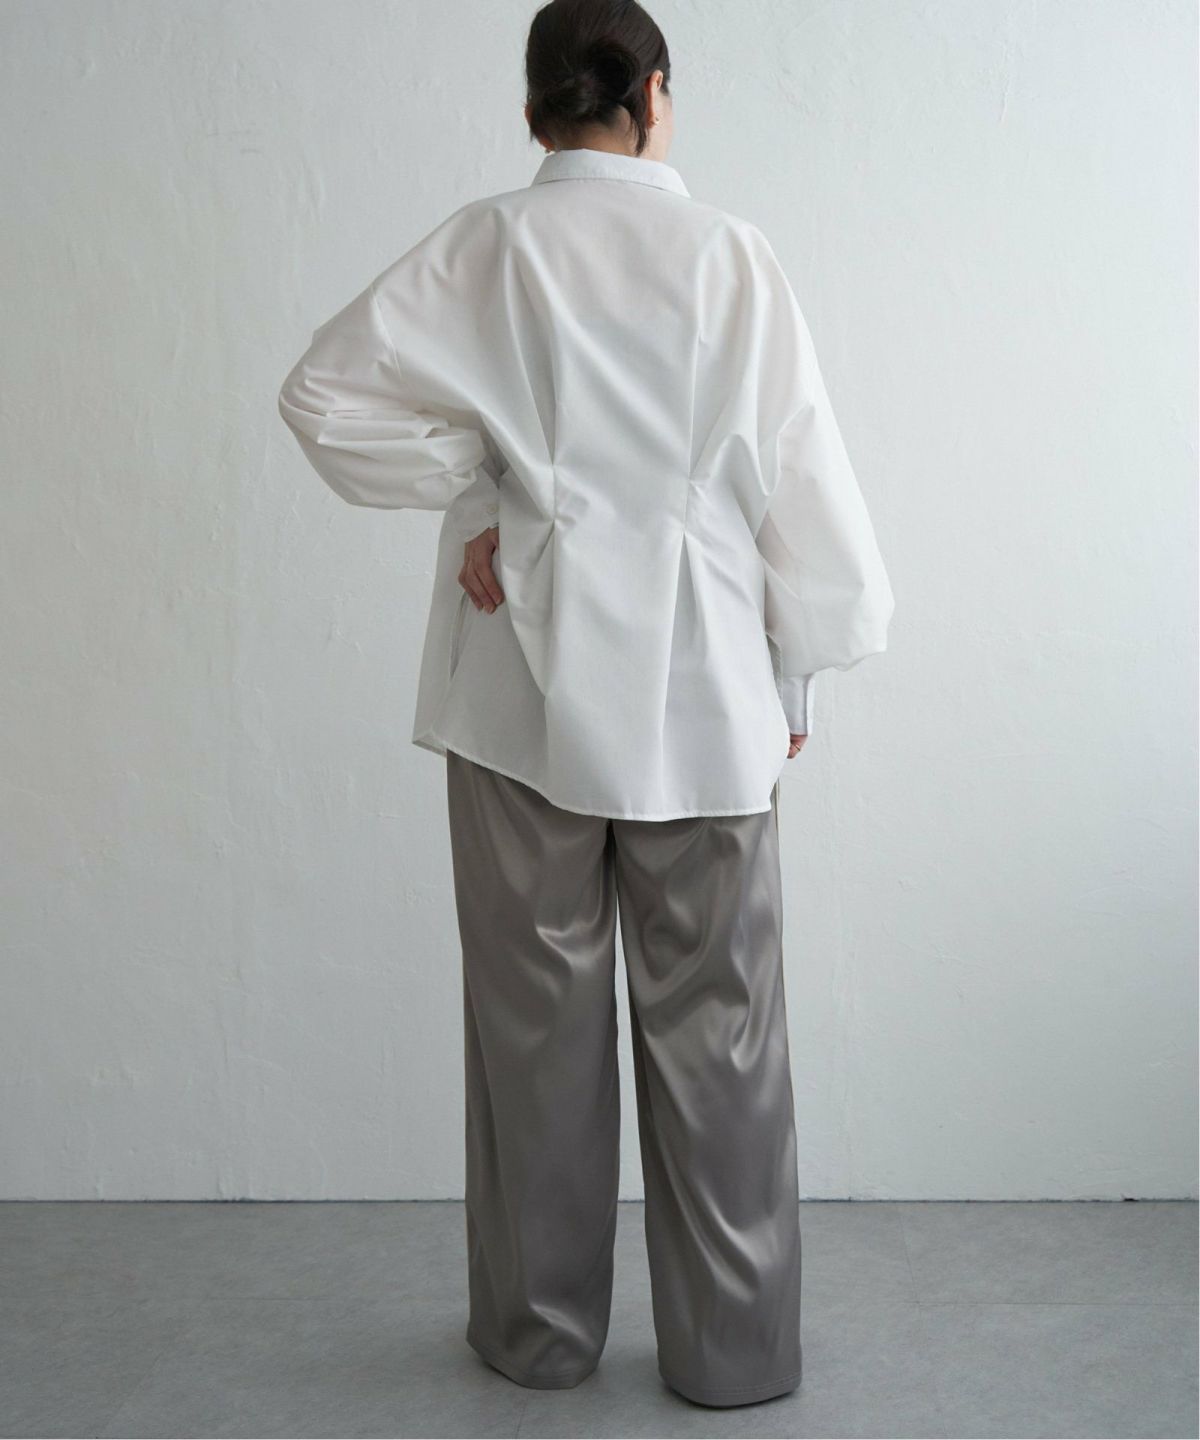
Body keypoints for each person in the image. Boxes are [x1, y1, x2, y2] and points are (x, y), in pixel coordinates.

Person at [277, 0, 894, 1410]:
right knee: (723, 1031)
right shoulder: (729, 255)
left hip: (521, 683)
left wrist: (490, 481)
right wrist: (799, 662)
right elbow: (796, 469)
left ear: (532, 108)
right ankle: (735, 1353)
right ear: (656, 96)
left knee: (531, 1027)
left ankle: (538, 1335)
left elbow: (322, 398)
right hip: (705, 684)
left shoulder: (487, 244)